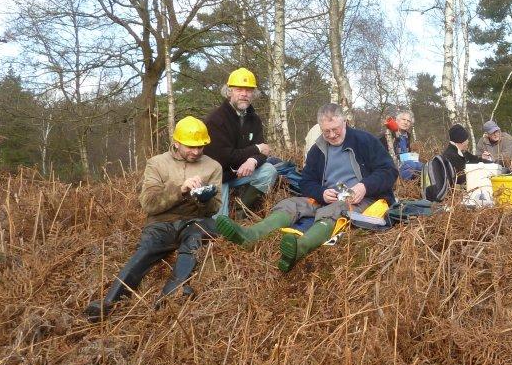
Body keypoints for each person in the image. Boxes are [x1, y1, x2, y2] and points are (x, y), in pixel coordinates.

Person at [215, 104, 397, 272]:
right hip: (327, 197)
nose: (332, 135)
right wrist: (322, 193)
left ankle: (299, 247)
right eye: (327, 132)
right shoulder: (317, 149)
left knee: (338, 209)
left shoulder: (366, 141)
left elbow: (389, 171)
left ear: (345, 122)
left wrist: (364, 186)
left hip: (361, 197)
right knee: (290, 204)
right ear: (320, 128)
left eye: (336, 129)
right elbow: (306, 182)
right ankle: (251, 235)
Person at [85, 117, 223, 322]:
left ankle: (171, 293)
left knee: (196, 239)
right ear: (176, 142)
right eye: (190, 147)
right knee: (146, 250)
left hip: (194, 221)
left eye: (200, 147)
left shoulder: (213, 167)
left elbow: (214, 209)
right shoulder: (157, 163)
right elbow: (149, 204)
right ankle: (109, 302)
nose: (196, 152)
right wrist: (181, 189)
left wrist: (204, 200)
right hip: (161, 223)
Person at [203, 67, 278, 216]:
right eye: (239, 89)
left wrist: (253, 161)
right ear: (229, 91)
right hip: (219, 176)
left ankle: (240, 211)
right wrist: (255, 150)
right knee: (219, 226)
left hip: (241, 172)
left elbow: (263, 153)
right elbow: (223, 157)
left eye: (249, 90)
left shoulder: (254, 119)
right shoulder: (216, 119)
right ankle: (223, 214)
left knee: (270, 170)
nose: (244, 94)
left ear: (253, 94)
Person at [380, 109, 422, 180]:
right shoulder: (388, 134)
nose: (406, 122)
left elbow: (406, 152)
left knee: (423, 166)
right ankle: (403, 184)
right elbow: (384, 156)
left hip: (405, 163)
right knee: (412, 165)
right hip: (393, 167)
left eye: (408, 121)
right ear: (397, 120)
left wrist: (412, 156)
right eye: (403, 119)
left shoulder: (407, 136)